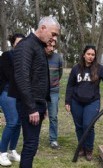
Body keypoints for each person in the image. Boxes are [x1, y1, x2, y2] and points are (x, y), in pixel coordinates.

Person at [12, 16, 60, 168]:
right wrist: (32, 108)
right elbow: (22, 78)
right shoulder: (26, 46)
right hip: (29, 105)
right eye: (53, 34)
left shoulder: (39, 46)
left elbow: (39, 78)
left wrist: (43, 105)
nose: (54, 38)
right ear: (43, 28)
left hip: (37, 103)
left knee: (32, 145)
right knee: (30, 145)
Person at [65, 45, 103, 161]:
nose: (90, 57)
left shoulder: (99, 69)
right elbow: (70, 86)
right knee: (79, 126)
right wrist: (67, 101)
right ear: (84, 55)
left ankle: (89, 149)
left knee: (88, 125)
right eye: (88, 54)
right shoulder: (76, 69)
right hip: (76, 102)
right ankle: (81, 147)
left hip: (92, 102)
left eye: (93, 55)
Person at [0, 33, 25, 166]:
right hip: (6, 92)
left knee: (19, 122)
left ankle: (12, 150)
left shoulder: (25, 58)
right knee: (12, 121)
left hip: (19, 94)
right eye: (18, 42)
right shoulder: (6, 56)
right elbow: (11, 76)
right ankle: (2, 152)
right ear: (13, 43)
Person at [45, 40, 63, 149]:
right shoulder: (38, 56)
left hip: (54, 91)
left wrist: (53, 83)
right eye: (48, 46)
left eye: (53, 46)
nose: (51, 48)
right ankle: (33, 140)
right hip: (40, 91)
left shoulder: (58, 58)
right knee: (37, 116)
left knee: (53, 116)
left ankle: (53, 139)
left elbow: (60, 74)